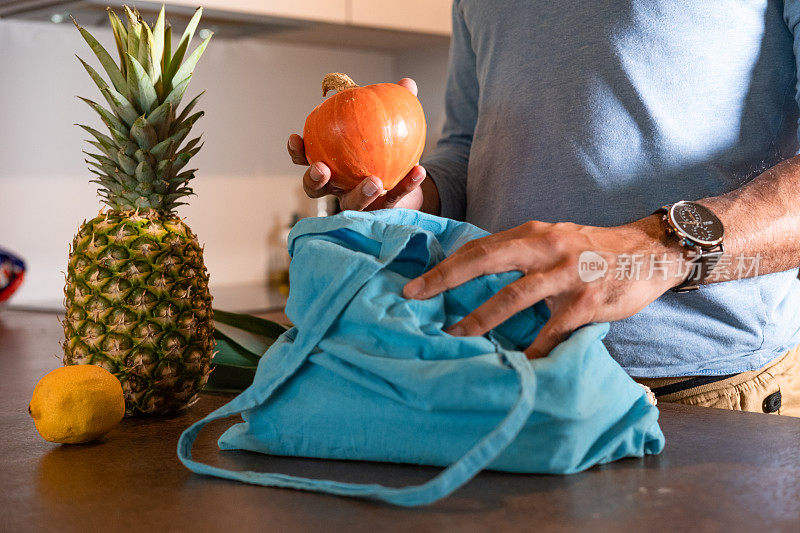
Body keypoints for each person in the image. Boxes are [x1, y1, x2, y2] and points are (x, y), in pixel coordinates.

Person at [288, 1, 800, 416]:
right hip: (498, 378)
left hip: (700, 391)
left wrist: (655, 249)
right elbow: (467, 144)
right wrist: (408, 192)